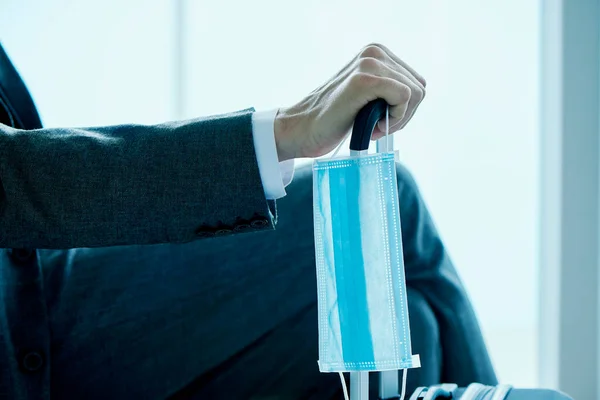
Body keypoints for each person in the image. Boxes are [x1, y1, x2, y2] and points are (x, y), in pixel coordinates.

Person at [0, 42, 496, 399]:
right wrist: (282, 132)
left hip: (40, 281)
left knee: (413, 321)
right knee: (395, 202)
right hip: (37, 319)